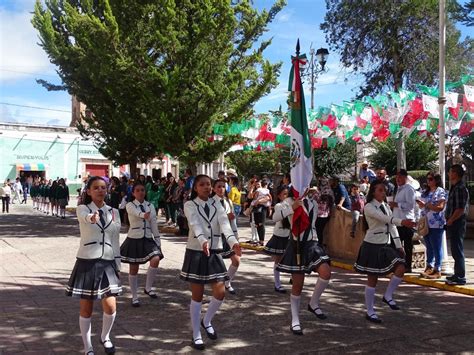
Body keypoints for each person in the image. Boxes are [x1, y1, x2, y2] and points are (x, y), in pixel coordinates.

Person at [180, 175, 241, 350]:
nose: (206, 187)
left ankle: (206, 320)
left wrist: (233, 242)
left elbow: (225, 225)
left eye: (208, 184)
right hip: (197, 251)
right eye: (202, 185)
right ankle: (196, 334)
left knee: (220, 292)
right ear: (196, 188)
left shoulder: (218, 204)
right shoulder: (190, 205)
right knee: (197, 295)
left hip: (214, 251)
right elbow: (195, 224)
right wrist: (202, 241)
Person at [65, 176, 121, 355]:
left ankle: (105, 337)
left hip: (108, 261)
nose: (100, 190)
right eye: (96, 188)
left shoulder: (114, 211)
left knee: (111, 306)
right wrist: (92, 217)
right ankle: (87, 347)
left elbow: (115, 239)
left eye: (103, 187)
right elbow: (84, 217)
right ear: (88, 191)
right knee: (86, 307)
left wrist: (118, 263)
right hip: (88, 262)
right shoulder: (83, 208)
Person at [354, 181, 416, 323]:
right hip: (372, 245)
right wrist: (402, 222)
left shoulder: (386, 206)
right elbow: (385, 219)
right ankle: (370, 311)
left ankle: (388, 296)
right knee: (372, 279)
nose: (383, 193)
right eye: (380, 190)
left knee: (400, 267)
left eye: (384, 190)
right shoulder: (369, 207)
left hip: (386, 244)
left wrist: (399, 245)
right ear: (373, 192)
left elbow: (391, 225)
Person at [277, 188, 331, 335]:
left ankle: (313, 303)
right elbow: (275, 216)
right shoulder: (288, 201)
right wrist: (291, 208)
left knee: (326, 272)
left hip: (312, 244)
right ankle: (295, 319)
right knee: (298, 285)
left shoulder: (312, 202)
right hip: (296, 245)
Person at [120, 182, 163, 307]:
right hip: (134, 238)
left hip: (147, 238)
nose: (140, 192)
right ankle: (134, 296)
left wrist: (158, 240)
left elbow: (154, 224)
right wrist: (144, 215)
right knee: (134, 268)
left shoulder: (150, 205)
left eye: (142, 190)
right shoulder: (130, 205)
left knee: (155, 258)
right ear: (133, 193)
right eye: (137, 190)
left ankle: (148, 288)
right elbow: (135, 213)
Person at [212, 179, 241, 295]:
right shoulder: (211, 202)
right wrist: (225, 217)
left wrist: (236, 237)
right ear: (214, 189)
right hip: (216, 237)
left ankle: (227, 282)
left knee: (236, 261)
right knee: (216, 265)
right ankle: (215, 287)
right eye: (218, 186)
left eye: (223, 187)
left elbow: (233, 221)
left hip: (228, 236)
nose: (221, 189)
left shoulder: (228, 201)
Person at [416, 172, 446, 279]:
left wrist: (427, 205)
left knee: (436, 246)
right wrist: (420, 204)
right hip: (426, 222)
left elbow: (440, 207)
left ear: (436, 180)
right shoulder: (425, 192)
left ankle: (437, 269)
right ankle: (429, 266)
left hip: (436, 223)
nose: (428, 181)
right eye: (427, 179)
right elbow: (422, 206)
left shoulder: (440, 191)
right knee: (429, 246)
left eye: (431, 179)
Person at [445, 164, 469, 286]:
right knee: (454, 249)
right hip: (453, 222)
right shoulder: (454, 188)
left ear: (455, 173)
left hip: (457, 222)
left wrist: (451, 220)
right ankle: (457, 273)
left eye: (450, 172)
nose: (449, 174)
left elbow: (460, 208)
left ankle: (460, 276)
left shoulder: (460, 188)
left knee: (457, 249)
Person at [264, 185, 291, 293]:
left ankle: (293, 278)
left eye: (288, 194)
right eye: (284, 194)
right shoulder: (279, 206)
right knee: (278, 261)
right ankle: (277, 284)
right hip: (279, 236)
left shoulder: (291, 204)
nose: (287, 196)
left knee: (292, 259)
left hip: (289, 236)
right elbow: (284, 214)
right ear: (279, 196)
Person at [389, 169, 416, 273]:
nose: (398, 179)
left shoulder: (409, 189)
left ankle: (408, 266)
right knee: (396, 244)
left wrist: (396, 205)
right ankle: (398, 265)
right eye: (397, 177)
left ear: (405, 177)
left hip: (407, 221)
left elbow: (410, 205)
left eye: (400, 177)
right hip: (397, 221)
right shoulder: (398, 189)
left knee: (408, 245)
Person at [251, 180, 272, 246]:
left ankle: (261, 240)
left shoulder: (258, 190)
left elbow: (254, 197)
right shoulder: (267, 190)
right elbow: (270, 197)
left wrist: (258, 200)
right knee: (259, 224)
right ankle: (261, 240)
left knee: (259, 224)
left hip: (258, 207)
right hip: (262, 207)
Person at [314, 178, 334, 247]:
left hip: (319, 215)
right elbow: (331, 203)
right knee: (320, 231)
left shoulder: (318, 192)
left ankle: (319, 246)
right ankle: (320, 245)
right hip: (326, 215)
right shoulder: (330, 191)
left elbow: (315, 200)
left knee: (318, 231)